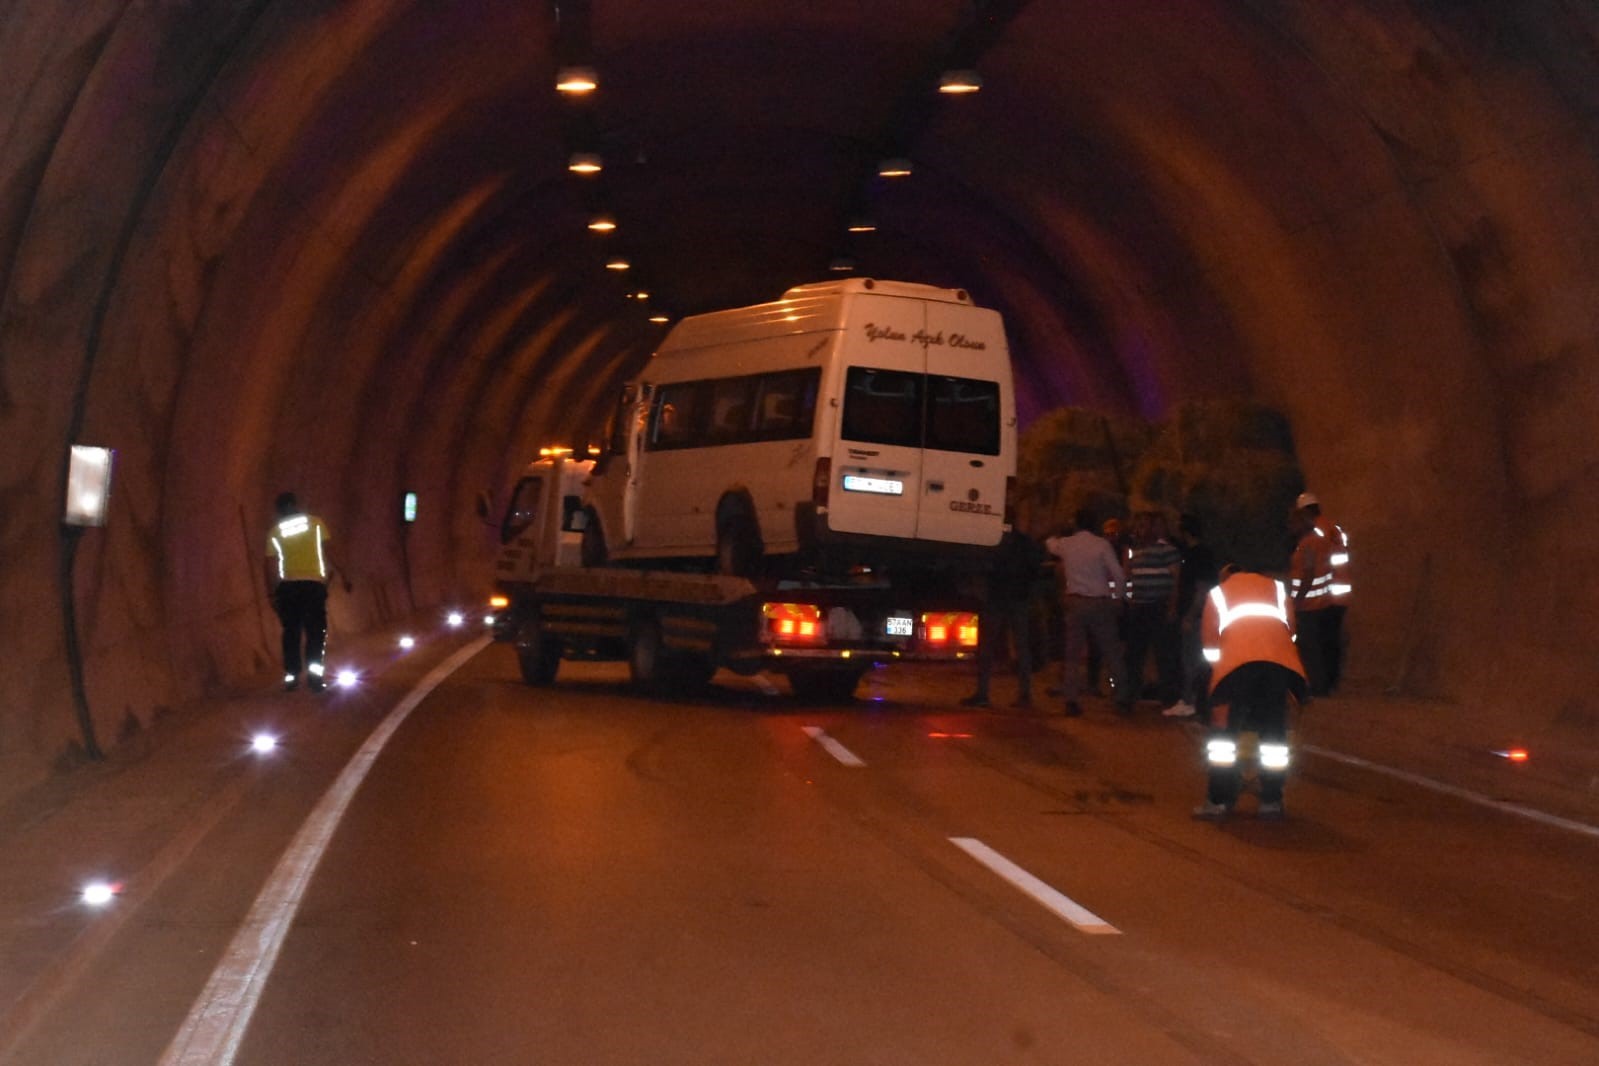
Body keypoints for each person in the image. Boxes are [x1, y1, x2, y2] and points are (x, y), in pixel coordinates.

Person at [1193, 565, 1308, 820]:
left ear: (1227, 576)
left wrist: (1218, 679)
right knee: (1273, 734)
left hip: (1234, 666)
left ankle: (1219, 800)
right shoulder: (1278, 590)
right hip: (1278, 666)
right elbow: (1291, 631)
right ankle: (1272, 801)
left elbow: (1211, 645)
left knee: (1224, 738)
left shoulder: (1219, 592)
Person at [1045, 509, 1128, 716]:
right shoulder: (1102, 545)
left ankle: (1071, 700)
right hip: (1099, 602)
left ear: (1076, 524)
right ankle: (1122, 697)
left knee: (1072, 654)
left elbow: (1049, 543)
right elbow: (1118, 574)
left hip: (1075, 602)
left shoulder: (1067, 544)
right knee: (1111, 651)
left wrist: (1059, 529)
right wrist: (1118, 597)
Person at [264, 492, 349, 691]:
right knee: (315, 632)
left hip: (289, 587)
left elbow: (268, 565)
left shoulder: (276, 531)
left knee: (291, 632)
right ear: (296, 505)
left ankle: (292, 677)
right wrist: (344, 574)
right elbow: (331, 550)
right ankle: (314, 679)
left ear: (279, 510)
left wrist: (270, 593)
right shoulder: (315, 524)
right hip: (313, 586)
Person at [962, 529, 1045, 709]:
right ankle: (1024, 694)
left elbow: (982, 566)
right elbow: (1036, 567)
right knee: (1021, 647)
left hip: (997, 597)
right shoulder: (1025, 542)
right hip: (1018, 597)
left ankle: (983, 693)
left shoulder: (993, 539)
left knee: (988, 646)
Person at [1122, 511, 1182, 710]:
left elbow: (1176, 581)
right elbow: (1128, 579)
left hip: (1158, 605)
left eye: (1146, 525)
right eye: (1139, 526)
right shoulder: (1135, 552)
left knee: (1163, 653)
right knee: (1134, 653)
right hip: (1139, 606)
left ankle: (1169, 698)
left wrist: (1172, 607)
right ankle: (1130, 694)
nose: (1142, 529)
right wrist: (1130, 600)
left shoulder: (1167, 551)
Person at [1296, 492, 1352, 692]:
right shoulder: (1333, 527)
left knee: (1319, 642)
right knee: (1332, 641)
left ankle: (1322, 684)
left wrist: (1301, 597)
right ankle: (1332, 681)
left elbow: (1316, 566)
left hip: (1327, 594)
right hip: (1342, 592)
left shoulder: (1316, 532)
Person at [1164, 513, 1218, 719]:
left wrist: (1190, 615)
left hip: (1196, 616)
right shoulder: (1196, 553)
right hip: (1196, 614)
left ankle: (1190, 701)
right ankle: (1194, 700)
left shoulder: (1198, 555)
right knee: (1192, 658)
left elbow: (1202, 588)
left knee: (1191, 659)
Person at [1288, 500, 1336, 697]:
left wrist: (1297, 600)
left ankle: (1314, 686)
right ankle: (1319, 685)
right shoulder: (1318, 541)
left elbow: (1307, 573)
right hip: (1321, 602)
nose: (1290, 527)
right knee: (1316, 647)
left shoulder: (1307, 545)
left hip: (1308, 605)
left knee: (1309, 648)